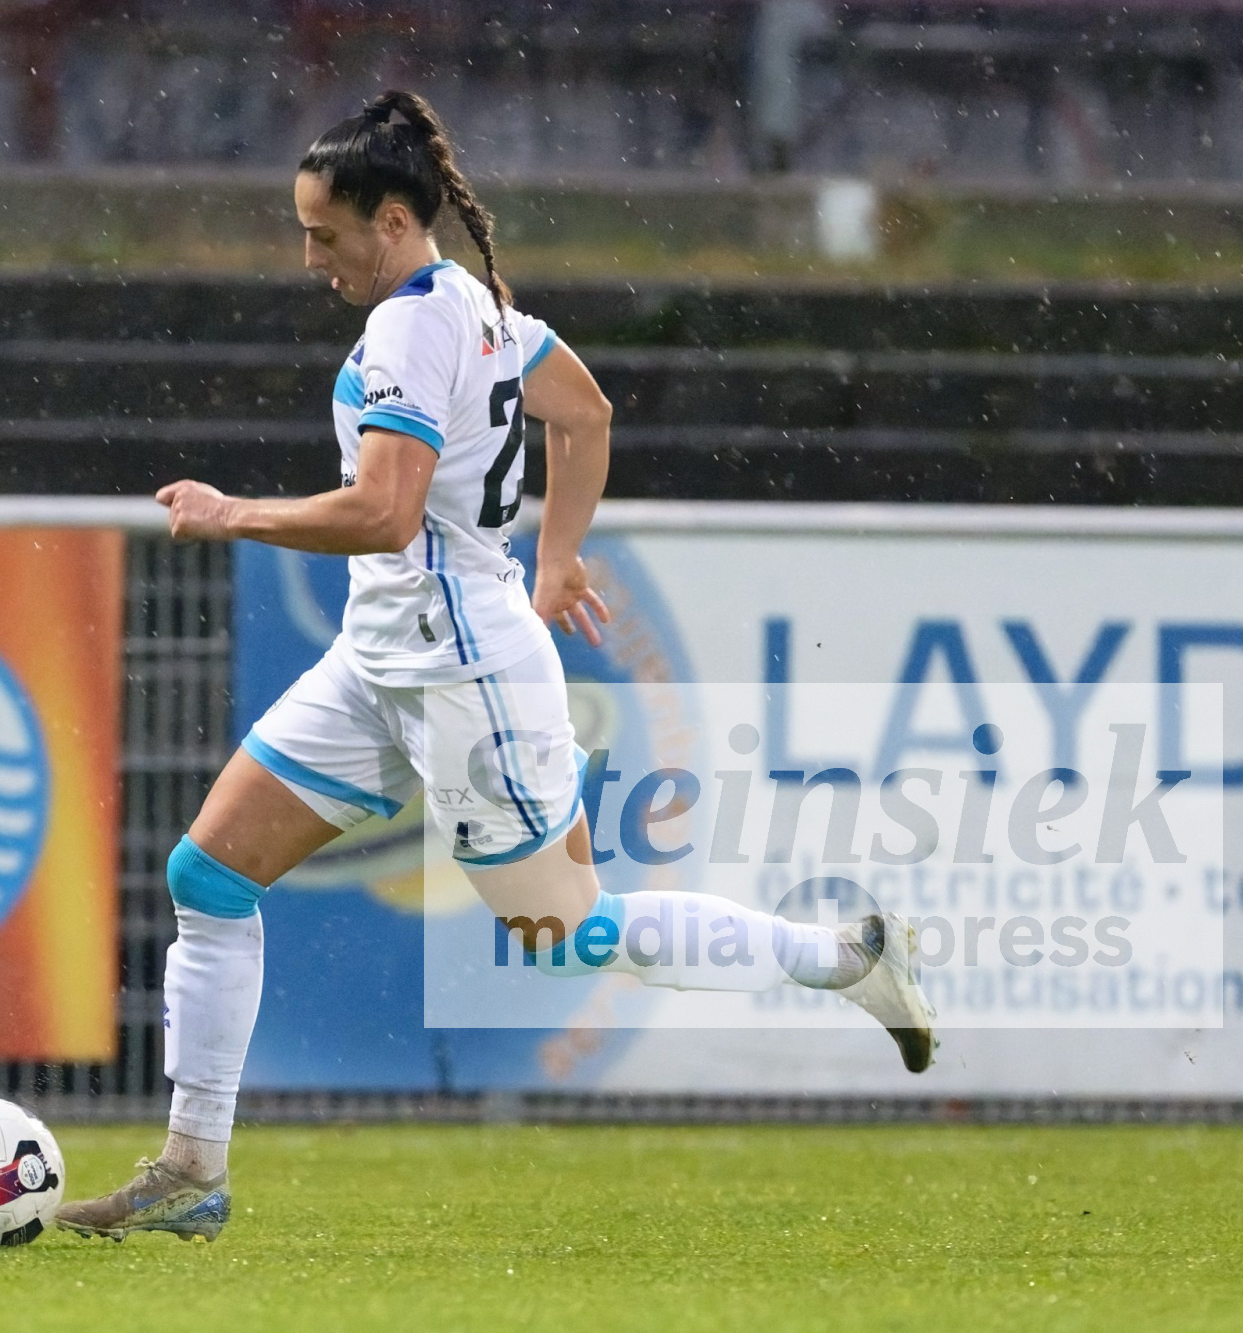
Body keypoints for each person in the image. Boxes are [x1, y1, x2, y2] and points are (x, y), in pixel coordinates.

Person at [56, 90, 935, 1244]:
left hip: (461, 669)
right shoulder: (481, 310)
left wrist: (234, 513)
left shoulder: (410, 330)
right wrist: (554, 558)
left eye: (323, 233)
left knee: (567, 929)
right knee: (208, 875)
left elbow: (385, 511)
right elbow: (585, 412)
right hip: (380, 659)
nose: (310, 257)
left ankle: (847, 959)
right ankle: (190, 1168)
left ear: (391, 220)